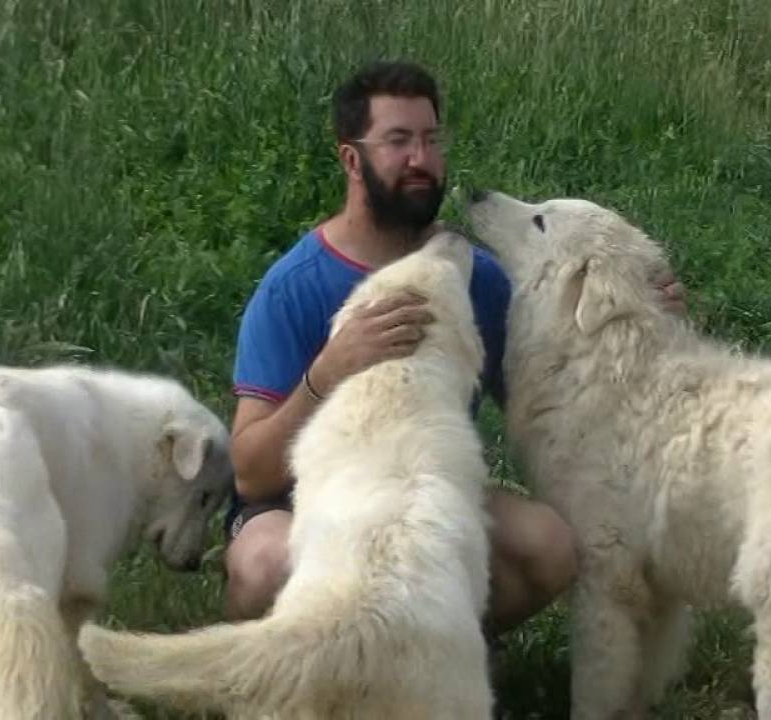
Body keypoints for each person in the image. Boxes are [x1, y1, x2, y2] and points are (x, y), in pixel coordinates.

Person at [222, 60, 683, 636]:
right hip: (307, 507)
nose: (421, 159)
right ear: (350, 159)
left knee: (549, 547)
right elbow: (251, 474)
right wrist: (330, 372)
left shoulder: (478, 277)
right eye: (397, 141)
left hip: (428, 497)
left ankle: (435, 652)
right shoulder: (295, 286)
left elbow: (567, 404)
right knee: (264, 566)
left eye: (430, 139)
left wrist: (639, 317)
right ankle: (286, 676)